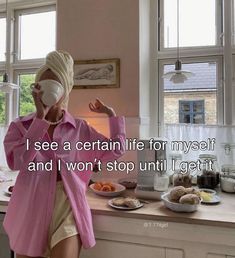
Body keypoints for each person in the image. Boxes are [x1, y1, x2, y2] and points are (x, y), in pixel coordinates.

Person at [3, 50, 126, 258]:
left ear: (65, 90)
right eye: (43, 85)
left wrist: (111, 116)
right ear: (36, 89)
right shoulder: (21, 126)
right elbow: (17, 162)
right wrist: (39, 120)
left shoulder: (79, 128)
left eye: (56, 84)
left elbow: (115, 150)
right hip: (31, 207)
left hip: (67, 208)